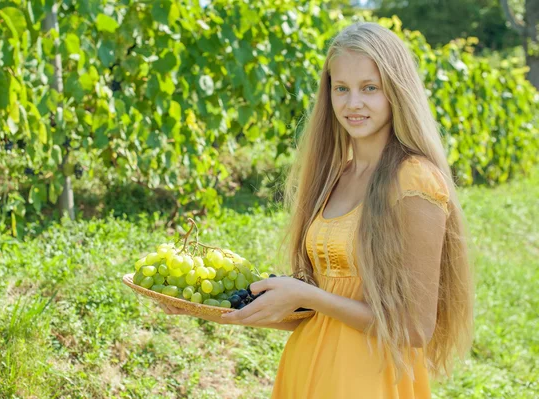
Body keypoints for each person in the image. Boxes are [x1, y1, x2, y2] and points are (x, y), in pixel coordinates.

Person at [159, 21, 474, 398]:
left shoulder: (414, 181)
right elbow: (318, 316)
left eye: (369, 88)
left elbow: (415, 329)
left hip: (367, 382)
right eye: (341, 88)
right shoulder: (334, 177)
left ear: (397, 92)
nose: (352, 103)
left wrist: (309, 296)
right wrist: (209, 309)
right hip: (305, 370)